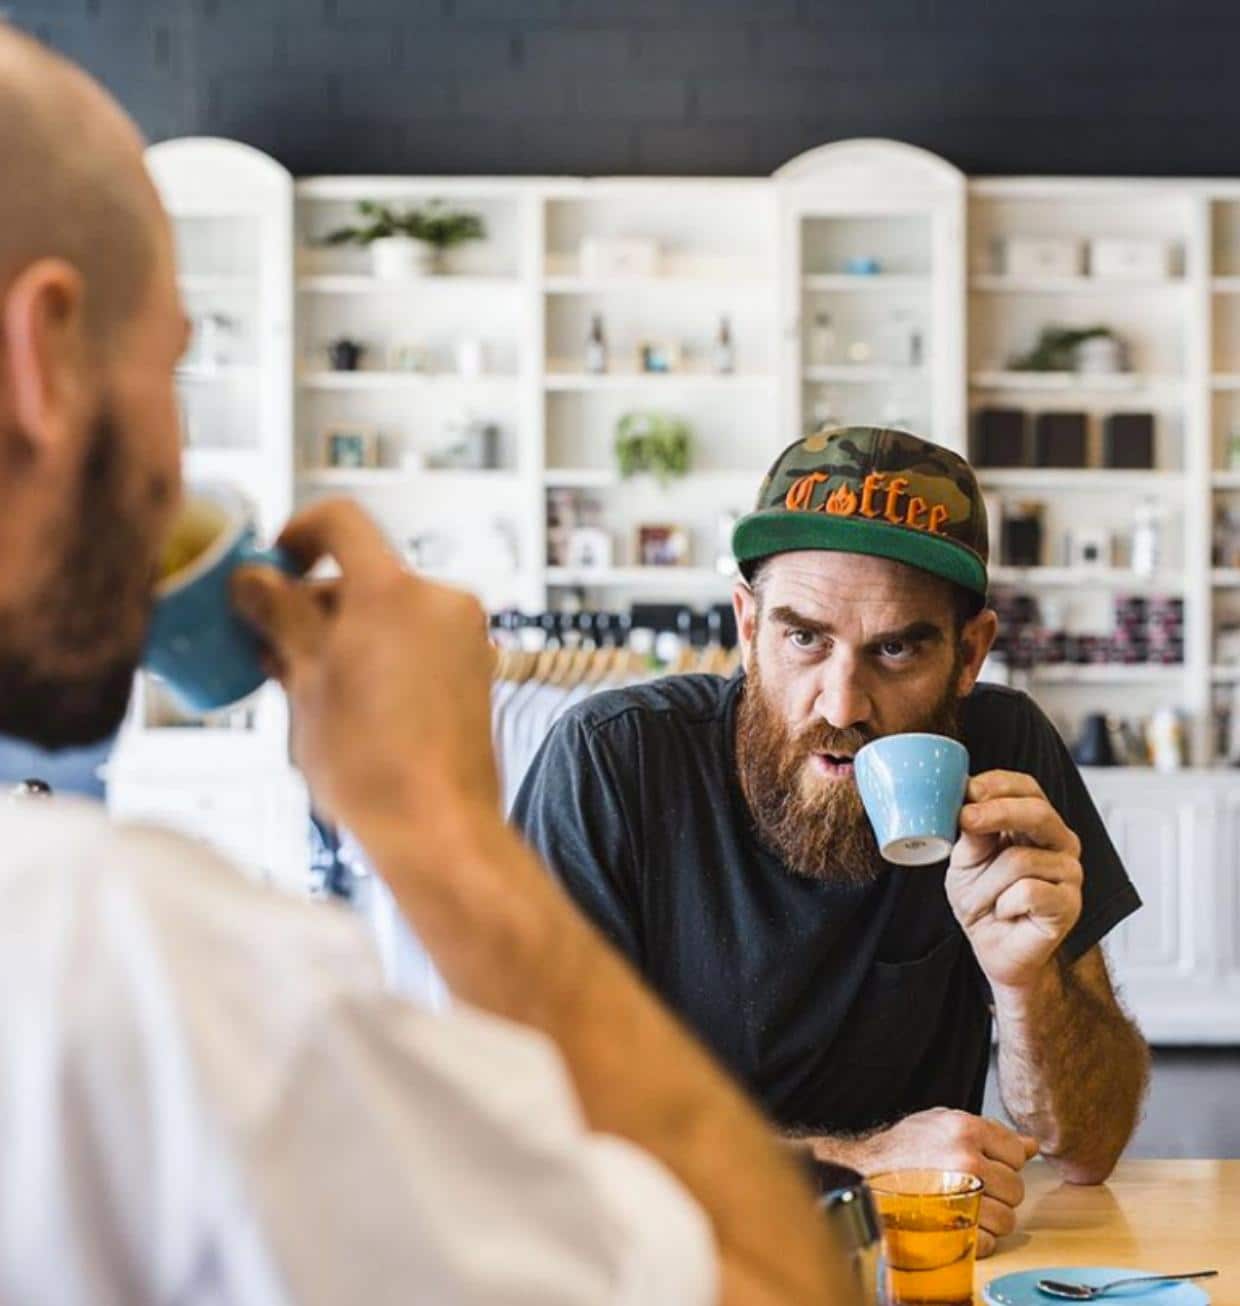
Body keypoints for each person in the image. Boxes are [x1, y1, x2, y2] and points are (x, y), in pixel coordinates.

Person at [0, 25, 855, 1305]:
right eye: (171, 362)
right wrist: (437, 821)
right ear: (48, 359)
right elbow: (776, 1284)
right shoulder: (126, 967)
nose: (179, 455)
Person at [514, 426, 1152, 1256]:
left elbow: (1090, 1146)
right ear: (747, 626)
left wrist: (1028, 988)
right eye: (804, 638)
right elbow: (529, 1134)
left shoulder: (1003, 756)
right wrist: (855, 1171)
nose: (842, 703)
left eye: (895, 649)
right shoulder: (615, 761)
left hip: (916, 1270)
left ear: (969, 655)